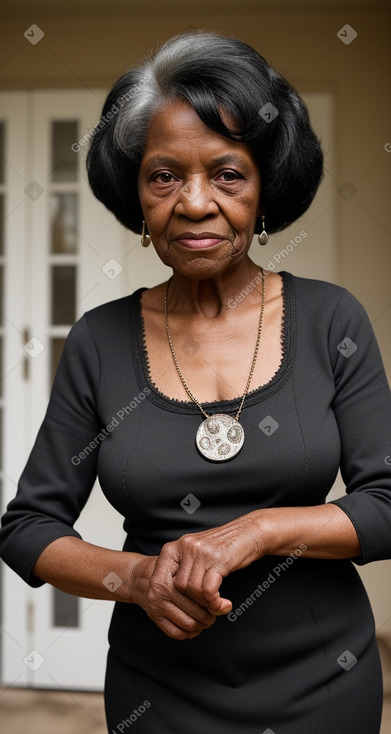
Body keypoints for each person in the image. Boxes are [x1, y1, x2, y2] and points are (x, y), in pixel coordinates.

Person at [1, 29, 391, 734]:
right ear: (137, 196)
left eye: (227, 173)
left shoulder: (331, 319)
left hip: (321, 687)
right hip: (158, 697)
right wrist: (137, 578)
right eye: (164, 175)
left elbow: (388, 503)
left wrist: (259, 531)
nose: (194, 202)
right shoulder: (99, 338)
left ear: (265, 189)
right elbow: (28, 529)